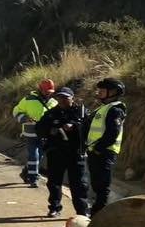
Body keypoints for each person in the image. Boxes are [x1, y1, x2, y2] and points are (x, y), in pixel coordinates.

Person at [36, 87, 89, 217]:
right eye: (60, 97)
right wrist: (50, 130)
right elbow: (39, 128)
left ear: (72, 98)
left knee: (79, 184)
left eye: (65, 97)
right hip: (56, 153)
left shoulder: (81, 113)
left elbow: (89, 129)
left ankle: (82, 212)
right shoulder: (51, 113)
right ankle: (54, 208)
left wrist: (75, 126)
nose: (62, 100)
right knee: (54, 182)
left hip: (75, 153)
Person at [87, 77, 127, 215]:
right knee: (97, 185)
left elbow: (113, 132)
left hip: (105, 153)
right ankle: (96, 211)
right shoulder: (103, 108)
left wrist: (99, 149)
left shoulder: (115, 110)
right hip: (96, 152)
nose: (99, 93)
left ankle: (98, 214)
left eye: (102, 90)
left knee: (102, 186)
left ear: (113, 92)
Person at [11, 79, 58, 187]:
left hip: (44, 134)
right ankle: (33, 179)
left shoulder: (54, 102)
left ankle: (25, 172)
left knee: (39, 156)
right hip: (30, 133)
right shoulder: (28, 99)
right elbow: (16, 111)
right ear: (41, 89)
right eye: (47, 91)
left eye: (50, 92)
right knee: (34, 155)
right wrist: (24, 118)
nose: (48, 93)